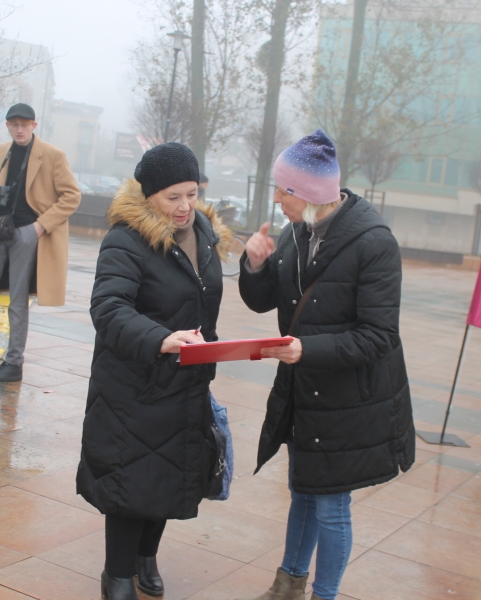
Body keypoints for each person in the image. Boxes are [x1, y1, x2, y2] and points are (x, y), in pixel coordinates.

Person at [237, 130, 415, 600]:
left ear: (311, 192)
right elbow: (265, 300)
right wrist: (255, 265)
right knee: (303, 489)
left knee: (332, 505)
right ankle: (288, 584)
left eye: (284, 191)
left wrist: (307, 350)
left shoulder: (374, 243)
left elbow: (380, 335)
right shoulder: (297, 234)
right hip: (305, 390)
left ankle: (324, 594)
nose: (277, 200)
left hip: (350, 399)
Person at [76, 142, 232, 600]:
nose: (185, 206)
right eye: (173, 197)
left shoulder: (205, 235)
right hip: (135, 383)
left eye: (192, 194)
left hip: (186, 379)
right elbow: (108, 308)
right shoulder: (126, 240)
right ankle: (117, 574)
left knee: (169, 470)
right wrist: (159, 338)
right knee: (131, 479)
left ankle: (147, 556)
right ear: (148, 196)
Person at [0, 103, 81, 382]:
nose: (19, 129)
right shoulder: (4, 150)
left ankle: (13, 363)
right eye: (14, 125)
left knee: (17, 300)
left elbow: (72, 196)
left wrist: (40, 226)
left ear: (34, 125)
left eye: (24, 124)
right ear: (8, 126)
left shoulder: (52, 155)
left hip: (27, 233)